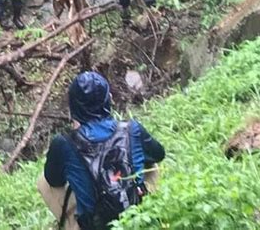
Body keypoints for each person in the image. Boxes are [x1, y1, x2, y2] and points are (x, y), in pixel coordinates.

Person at [38, 71, 165, 230]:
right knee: (151, 164)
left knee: (43, 181)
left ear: (73, 106)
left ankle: (71, 225)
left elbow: (53, 179)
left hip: (96, 225)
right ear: (108, 99)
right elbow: (159, 154)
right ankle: (153, 211)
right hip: (137, 217)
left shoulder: (63, 143)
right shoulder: (132, 129)